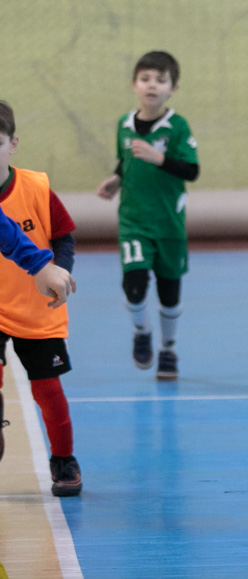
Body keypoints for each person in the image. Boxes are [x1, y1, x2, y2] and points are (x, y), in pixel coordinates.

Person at [97, 51, 199, 381]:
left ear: (173, 88)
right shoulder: (124, 126)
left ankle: (168, 349)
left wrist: (159, 158)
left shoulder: (178, 127)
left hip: (169, 225)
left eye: (160, 80)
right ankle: (142, 331)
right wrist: (117, 179)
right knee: (135, 285)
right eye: (145, 79)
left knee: (170, 295)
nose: (152, 85)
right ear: (134, 84)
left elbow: (192, 170)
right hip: (134, 223)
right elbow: (125, 162)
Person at [0, 100, 83, 496]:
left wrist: (58, 271)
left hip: (35, 307)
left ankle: (63, 459)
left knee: (48, 390)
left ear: (13, 144)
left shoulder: (35, 187)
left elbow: (63, 236)